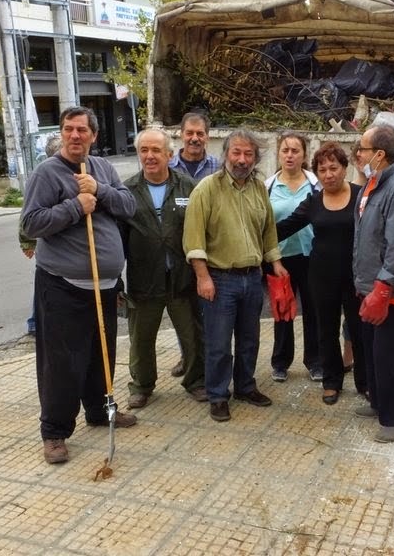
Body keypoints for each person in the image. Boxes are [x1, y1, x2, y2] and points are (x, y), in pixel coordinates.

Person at [21, 106, 138, 465]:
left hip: (104, 285)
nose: (75, 135)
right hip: (63, 285)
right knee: (62, 362)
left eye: (82, 130)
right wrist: (76, 205)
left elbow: (128, 205)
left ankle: (101, 410)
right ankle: (54, 432)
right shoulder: (47, 173)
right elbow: (31, 223)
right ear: (61, 133)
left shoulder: (101, 168)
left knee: (100, 354)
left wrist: (99, 191)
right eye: (69, 129)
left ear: (94, 136)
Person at [183, 129, 289, 423]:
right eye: (236, 152)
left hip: (252, 278)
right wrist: (203, 277)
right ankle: (218, 395)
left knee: (249, 339)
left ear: (256, 158)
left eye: (249, 154)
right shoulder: (206, 189)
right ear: (226, 154)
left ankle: (245, 387)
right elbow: (193, 240)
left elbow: (268, 230)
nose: (242, 160)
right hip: (219, 279)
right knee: (218, 343)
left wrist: (276, 263)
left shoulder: (258, 188)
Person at [120, 128, 207, 410]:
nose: (150, 156)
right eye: (144, 150)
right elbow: (117, 238)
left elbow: (201, 230)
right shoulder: (126, 191)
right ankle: (141, 386)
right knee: (141, 338)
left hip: (182, 277)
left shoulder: (188, 186)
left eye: (156, 150)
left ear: (170, 155)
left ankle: (196, 381)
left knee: (192, 334)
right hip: (144, 279)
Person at [276, 141, 367, 404]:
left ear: (344, 168)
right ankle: (331, 381)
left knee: (358, 329)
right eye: (323, 169)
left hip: (355, 276)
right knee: (325, 330)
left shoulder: (361, 196)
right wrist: (258, 239)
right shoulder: (313, 202)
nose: (329, 174)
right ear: (317, 172)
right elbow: (285, 227)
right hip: (321, 276)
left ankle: (364, 381)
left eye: (334, 168)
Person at [352, 125, 394, 443]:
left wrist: (382, 287)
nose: (358, 154)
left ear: (379, 154)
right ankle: (379, 401)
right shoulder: (374, 183)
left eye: (363, 149)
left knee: (391, 352)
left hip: (390, 291)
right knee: (373, 350)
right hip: (370, 285)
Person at [265, 131, 322, 383]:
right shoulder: (268, 186)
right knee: (282, 311)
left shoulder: (315, 185)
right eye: (285, 150)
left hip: (311, 258)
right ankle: (280, 362)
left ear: (304, 155)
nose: (289, 155)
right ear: (278, 154)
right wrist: (272, 259)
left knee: (314, 311)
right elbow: (265, 227)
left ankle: (315, 362)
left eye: (295, 151)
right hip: (279, 259)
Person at [167, 111, 221, 376]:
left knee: (210, 310)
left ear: (208, 137)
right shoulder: (168, 167)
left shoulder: (218, 168)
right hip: (176, 252)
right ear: (181, 134)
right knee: (183, 310)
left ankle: (210, 358)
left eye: (200, 133)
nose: (194, 138)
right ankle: (187, 357)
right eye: (190, 133)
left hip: (211, 251)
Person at [19, 135, 62, 336]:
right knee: (44, 283)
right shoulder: (43, 176)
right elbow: (28, 216)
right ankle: (35, 322)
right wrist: (27, 242)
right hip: (48, 243)